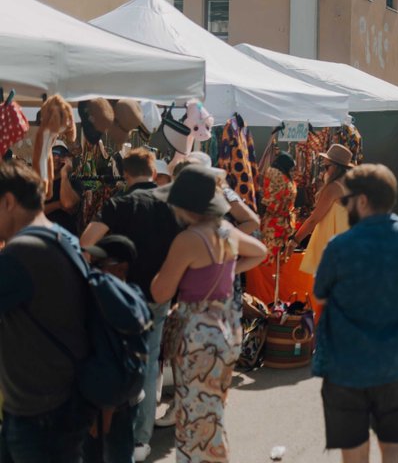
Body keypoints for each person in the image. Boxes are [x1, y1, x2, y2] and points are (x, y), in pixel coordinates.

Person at [150, 166, 268, 463]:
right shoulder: (226, 232)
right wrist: (229, 272)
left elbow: (160, 292)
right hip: (225, 329)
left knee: (193, 420)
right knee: (212, 413)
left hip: (196, 335)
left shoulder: (188, 240)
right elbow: (260, 252)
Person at [313, 164, 398, 463]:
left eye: (346, 200)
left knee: (354, 451)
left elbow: (319, 293)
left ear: (362, 201)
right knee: (393, 444)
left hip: (346, 364)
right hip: (396, 360)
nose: (345, 205)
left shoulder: (339, 246)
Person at [79, 148, 183, 462]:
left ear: (125, 175)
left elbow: (85, 243)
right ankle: (142, 439)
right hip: (161, 294)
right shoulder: (173, 207)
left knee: (119, 362)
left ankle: (117, 434)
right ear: (153, 172)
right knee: (151, 363)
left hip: (122, 297)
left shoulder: (119, 205)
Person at [0, 160, 91, 463]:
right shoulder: (61, 238)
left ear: (9, 201)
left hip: (39, 415)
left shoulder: (22, 253)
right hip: (60, 405)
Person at [81, 235, 139, 463]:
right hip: (120, 398)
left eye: (98, 264)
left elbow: (112, 359)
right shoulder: (129, 296)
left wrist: (102, 413)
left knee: (112, 454)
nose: (92, 269)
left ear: (120, 268)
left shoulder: (112, 304)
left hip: (108, 403)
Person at [292, 143, 355, 277]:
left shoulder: (334, 188)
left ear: (336, 167)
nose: (324, 171)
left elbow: (314, 219)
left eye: (327, 167)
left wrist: (294, 241)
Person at [43, 140, 85, 236]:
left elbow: (67, 203)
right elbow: (33, 211)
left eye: (61, 154)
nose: (57, 157)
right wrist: (57, 205)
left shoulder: (75, 182)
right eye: (54, 153)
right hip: (44, 238)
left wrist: (64, 174)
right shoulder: (40, 183)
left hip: (67, 238)